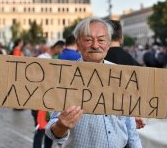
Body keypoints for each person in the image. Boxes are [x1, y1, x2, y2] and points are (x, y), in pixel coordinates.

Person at [45, 17, 142, 148]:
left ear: (108, 44)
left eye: (101, 40)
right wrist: (61, 126)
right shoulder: (64, 77)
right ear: (78, 44)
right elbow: (52, 128)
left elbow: (130, 127)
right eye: (88, 40)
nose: (95, 45)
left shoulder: (122, 75)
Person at [32, 40, 65, 148]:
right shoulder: (43, 58)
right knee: (40, 130)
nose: (61, 52)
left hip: (48, 101)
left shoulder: (50, 59)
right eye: (61, 49)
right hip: (39, 102)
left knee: (49, 131)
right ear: (57, 48)